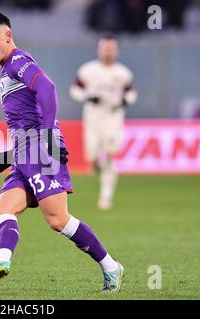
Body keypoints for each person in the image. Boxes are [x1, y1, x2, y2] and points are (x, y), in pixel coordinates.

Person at [0, 12, 124, 294]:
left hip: (41, 150)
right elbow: (27, 118)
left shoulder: (18, 60)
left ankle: (111, 266)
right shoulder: (6, 70)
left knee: (58, 219)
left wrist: (48, 135)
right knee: (2, 212)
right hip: (26, 151)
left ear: (8, 36)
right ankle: (0, 261)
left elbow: (47, 88)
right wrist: (11, 153)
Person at [70, 35, 137, 210]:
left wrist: (125, 101)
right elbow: (75, 89)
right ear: (100, 50)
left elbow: (131, 93)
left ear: (116, 51)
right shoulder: (88, 70)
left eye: (111, 48)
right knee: (91, 157)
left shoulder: (123, 73)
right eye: (105, 48)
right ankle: (98, 166)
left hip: (113, 117)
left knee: (109, 154)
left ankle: (106, 196)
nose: (108, 51)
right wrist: (87, 97)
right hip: (93, 117)